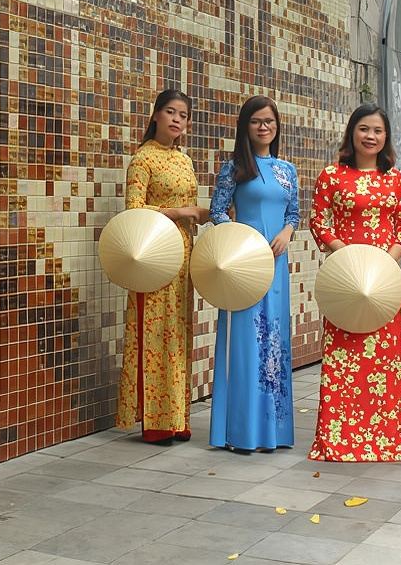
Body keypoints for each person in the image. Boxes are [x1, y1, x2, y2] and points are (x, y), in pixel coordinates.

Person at [308, 104, 401, 461]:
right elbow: (319, 220)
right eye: (364, 129)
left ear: (386, 137)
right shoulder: (332, 175)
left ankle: (391, 438)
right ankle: (342, 439)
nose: (370, 137)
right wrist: (344, 253)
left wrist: (386, 260)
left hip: (384, 282)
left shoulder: (395, 179)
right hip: (346, 280)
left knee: (388, 361)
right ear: (352, 133)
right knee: (344, 359)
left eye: (377, 131)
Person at [117, 89, 210, 445]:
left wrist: (210, 212)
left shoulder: (184, 161)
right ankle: (155, 423)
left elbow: (190, 208)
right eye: (170, 112)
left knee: (178, 332)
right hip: (152, 254)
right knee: (154, 335)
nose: (176, 119)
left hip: (183, 254)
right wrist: (180, 212)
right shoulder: (143, 159)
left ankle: (177, 418)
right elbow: (132, 210)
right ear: (156, 115)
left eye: (183, 115)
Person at [208, 96, 299, 453]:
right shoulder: (233, 168)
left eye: (270, 122)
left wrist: (288, 232)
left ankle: (273, 432)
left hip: (276, 268)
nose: (264, 127)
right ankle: (243, 432)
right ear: (245, 126)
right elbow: (218, 212)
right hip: (245, 266)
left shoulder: (286, 170)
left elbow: (293, 213)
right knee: (246, 343)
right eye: (257, 121)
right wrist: (244, 241)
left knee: (275, 341)